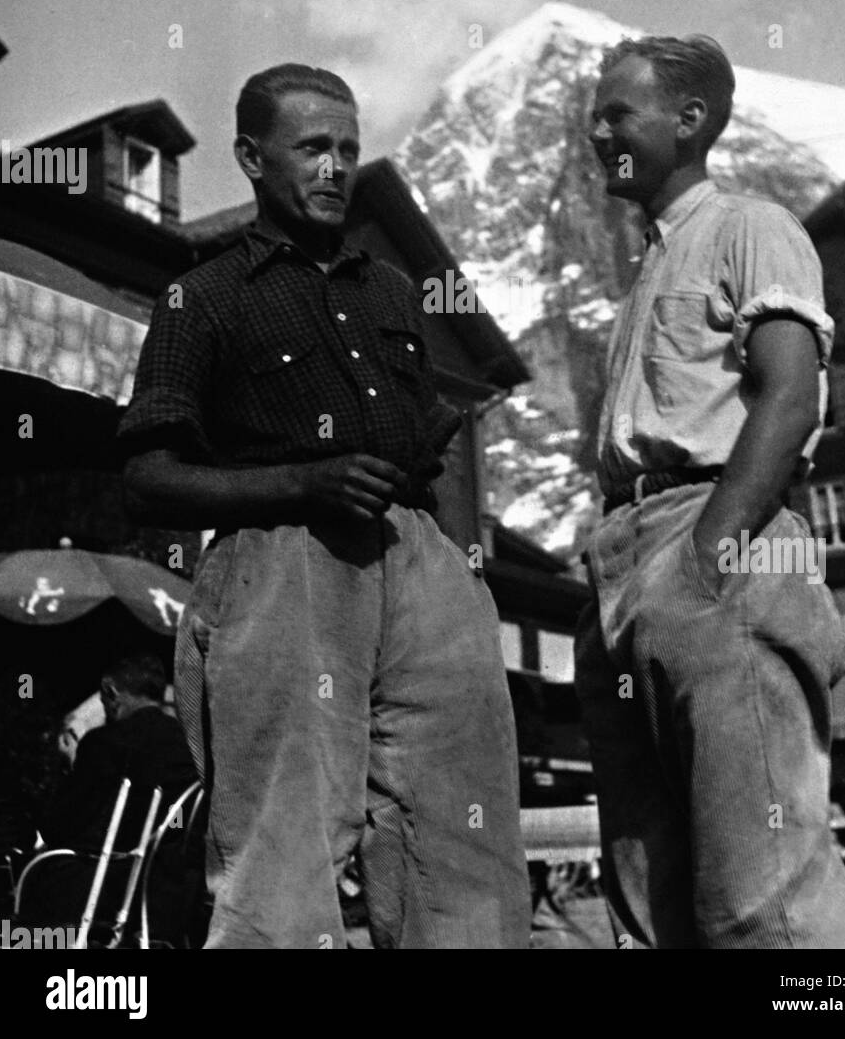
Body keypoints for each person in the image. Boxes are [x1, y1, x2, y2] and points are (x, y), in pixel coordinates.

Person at [118, 63, 529, 950]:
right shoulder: (204, 297)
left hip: (417, 565)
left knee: (462, 844)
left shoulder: (391, 291)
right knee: (283, 846)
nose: (336, 167)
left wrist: (461, 569)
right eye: (311, 147)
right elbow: (149, 476)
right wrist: (299, 483)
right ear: (252, 158)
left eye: (348, 147)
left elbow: (438, 441)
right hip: (281, 567)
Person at [575, 34, 845, 949]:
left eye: (617, 112)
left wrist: (710, 555)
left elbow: (790, 395)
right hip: (625, 562)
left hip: (712, 539)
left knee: (764, 893)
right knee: (650, 891)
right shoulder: (648, 270)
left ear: (690, 119)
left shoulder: (748, 225)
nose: (596, 129)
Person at [40, 653, 196, 852]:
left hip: (117, 872)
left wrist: (71, 767)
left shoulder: (104, 743)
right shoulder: (189, 743)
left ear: (111, 693)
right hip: (175, 870)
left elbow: (59, 828)